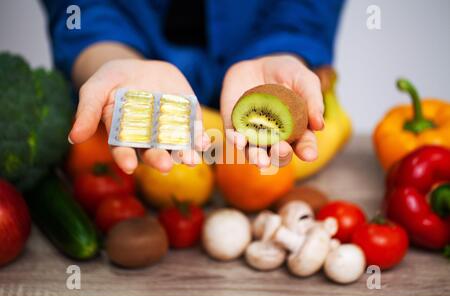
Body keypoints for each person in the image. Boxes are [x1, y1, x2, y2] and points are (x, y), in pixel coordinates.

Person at [42, 0, 344, 174]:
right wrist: (106, 57)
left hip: (256, 75)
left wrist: (286, 52)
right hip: (132, 101)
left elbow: (308, 7)